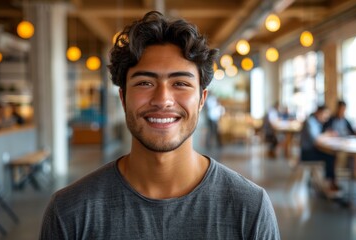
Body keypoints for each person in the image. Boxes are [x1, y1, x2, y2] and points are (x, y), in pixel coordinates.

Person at [40, 11, 280, 239]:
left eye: (180, 83)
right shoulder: (70, 211)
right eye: (144, 83)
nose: (162, 100)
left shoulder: (250, 207)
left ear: (201, 100)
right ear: (123, 98)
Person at [300, 105, 339, 192]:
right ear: (319, 112)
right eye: (325, 114)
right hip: (307, 153)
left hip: (312, 150)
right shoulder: (310, 122)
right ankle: (329, 183)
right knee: (330, 157)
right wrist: (327, 134)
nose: (326, 117)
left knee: (331, 155)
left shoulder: (316, 122)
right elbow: (316, 140)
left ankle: (331, 182)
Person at [323, 100, 356, 178]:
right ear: (337, 108)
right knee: (334, 154)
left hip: (346, 141)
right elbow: (324, 131)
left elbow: (353, 132)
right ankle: (335, 175)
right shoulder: (331, 120)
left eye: (343, 109)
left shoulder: (346, 120)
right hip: (335, 142)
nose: (342, 111)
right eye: (341, 109)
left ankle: (355, 172)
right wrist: (330, 133)